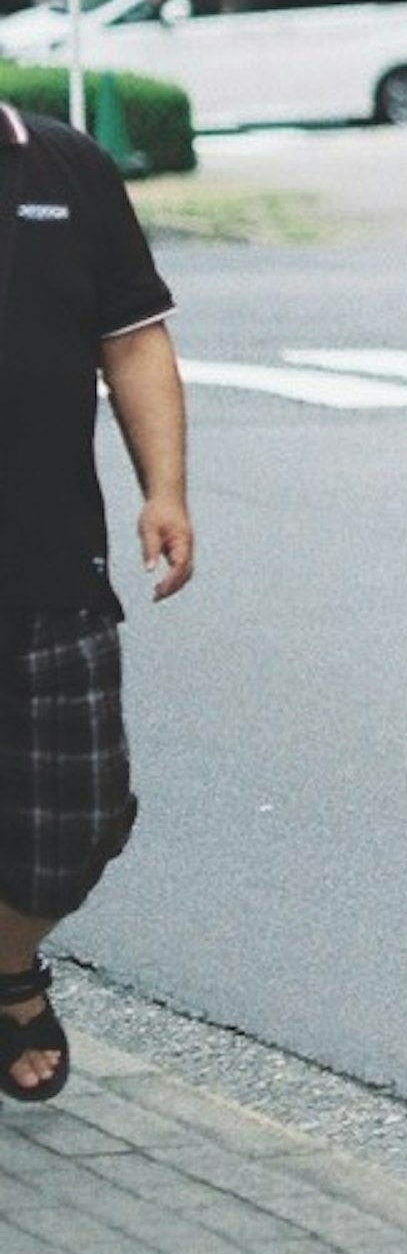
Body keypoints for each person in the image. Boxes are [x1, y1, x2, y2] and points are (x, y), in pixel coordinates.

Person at [0, 93, 195, 1111]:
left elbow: (132, 340)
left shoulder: (65, 170)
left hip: (46, 563)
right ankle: (14, 986)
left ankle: (3, 957)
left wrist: (164, 488)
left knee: (77, 818)